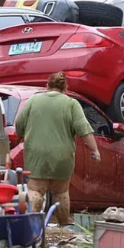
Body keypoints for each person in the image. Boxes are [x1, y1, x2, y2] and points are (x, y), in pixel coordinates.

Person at [14, 72, 100, 226]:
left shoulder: (33, 100)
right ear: (65, 88)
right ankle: (64, 226)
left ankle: (31, 226)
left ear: (47, 86)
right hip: (62, 156)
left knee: (35, 190)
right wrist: (95, 150)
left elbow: (19, 124)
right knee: (61, 192)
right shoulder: (71, 104)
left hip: (36, 155)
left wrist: (21, 135)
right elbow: (84, 129)